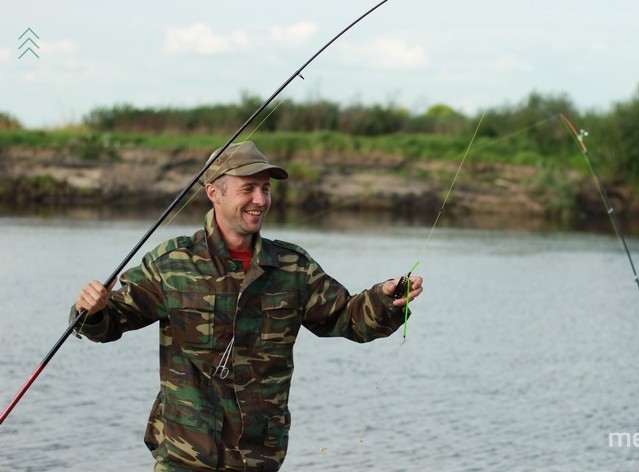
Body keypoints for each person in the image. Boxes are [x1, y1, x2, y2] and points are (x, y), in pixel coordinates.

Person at [72, 141, 423, 472]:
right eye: (248, 189)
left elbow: (348, 319)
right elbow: (111, 323)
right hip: (183, 457)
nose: (260, 199)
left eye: (265, 189)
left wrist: (385, 299)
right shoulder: (172, 263)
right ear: (214, 193)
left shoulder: (293, 268)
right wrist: (92, 309)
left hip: (258, 458)